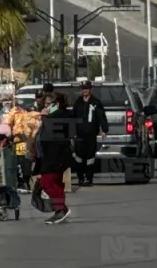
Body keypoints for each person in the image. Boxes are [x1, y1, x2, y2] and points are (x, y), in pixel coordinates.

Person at [33, 92, 74, 224]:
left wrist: (45, 118)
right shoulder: (53, 117)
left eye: (48, 104)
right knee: (55, 182)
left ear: (56, 104)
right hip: (52, 156)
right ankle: (60, 209)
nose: (45, 107)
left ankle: (61, 208)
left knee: (47, 182)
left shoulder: (59, 116)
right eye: (44, 104)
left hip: (56, 156)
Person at [70, 81, 107, 186]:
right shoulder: (78, 102)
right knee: (78, 157)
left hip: (91, 134)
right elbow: (73, 118)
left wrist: (104, 130)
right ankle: (80, 177)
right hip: (79, 135)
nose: (85, 90)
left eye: (86, 89)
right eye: (83, 89)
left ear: (90, 90)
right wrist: (71, 133)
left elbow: (101, 117)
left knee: (90, 157)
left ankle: (89, 178)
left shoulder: (96, 102)